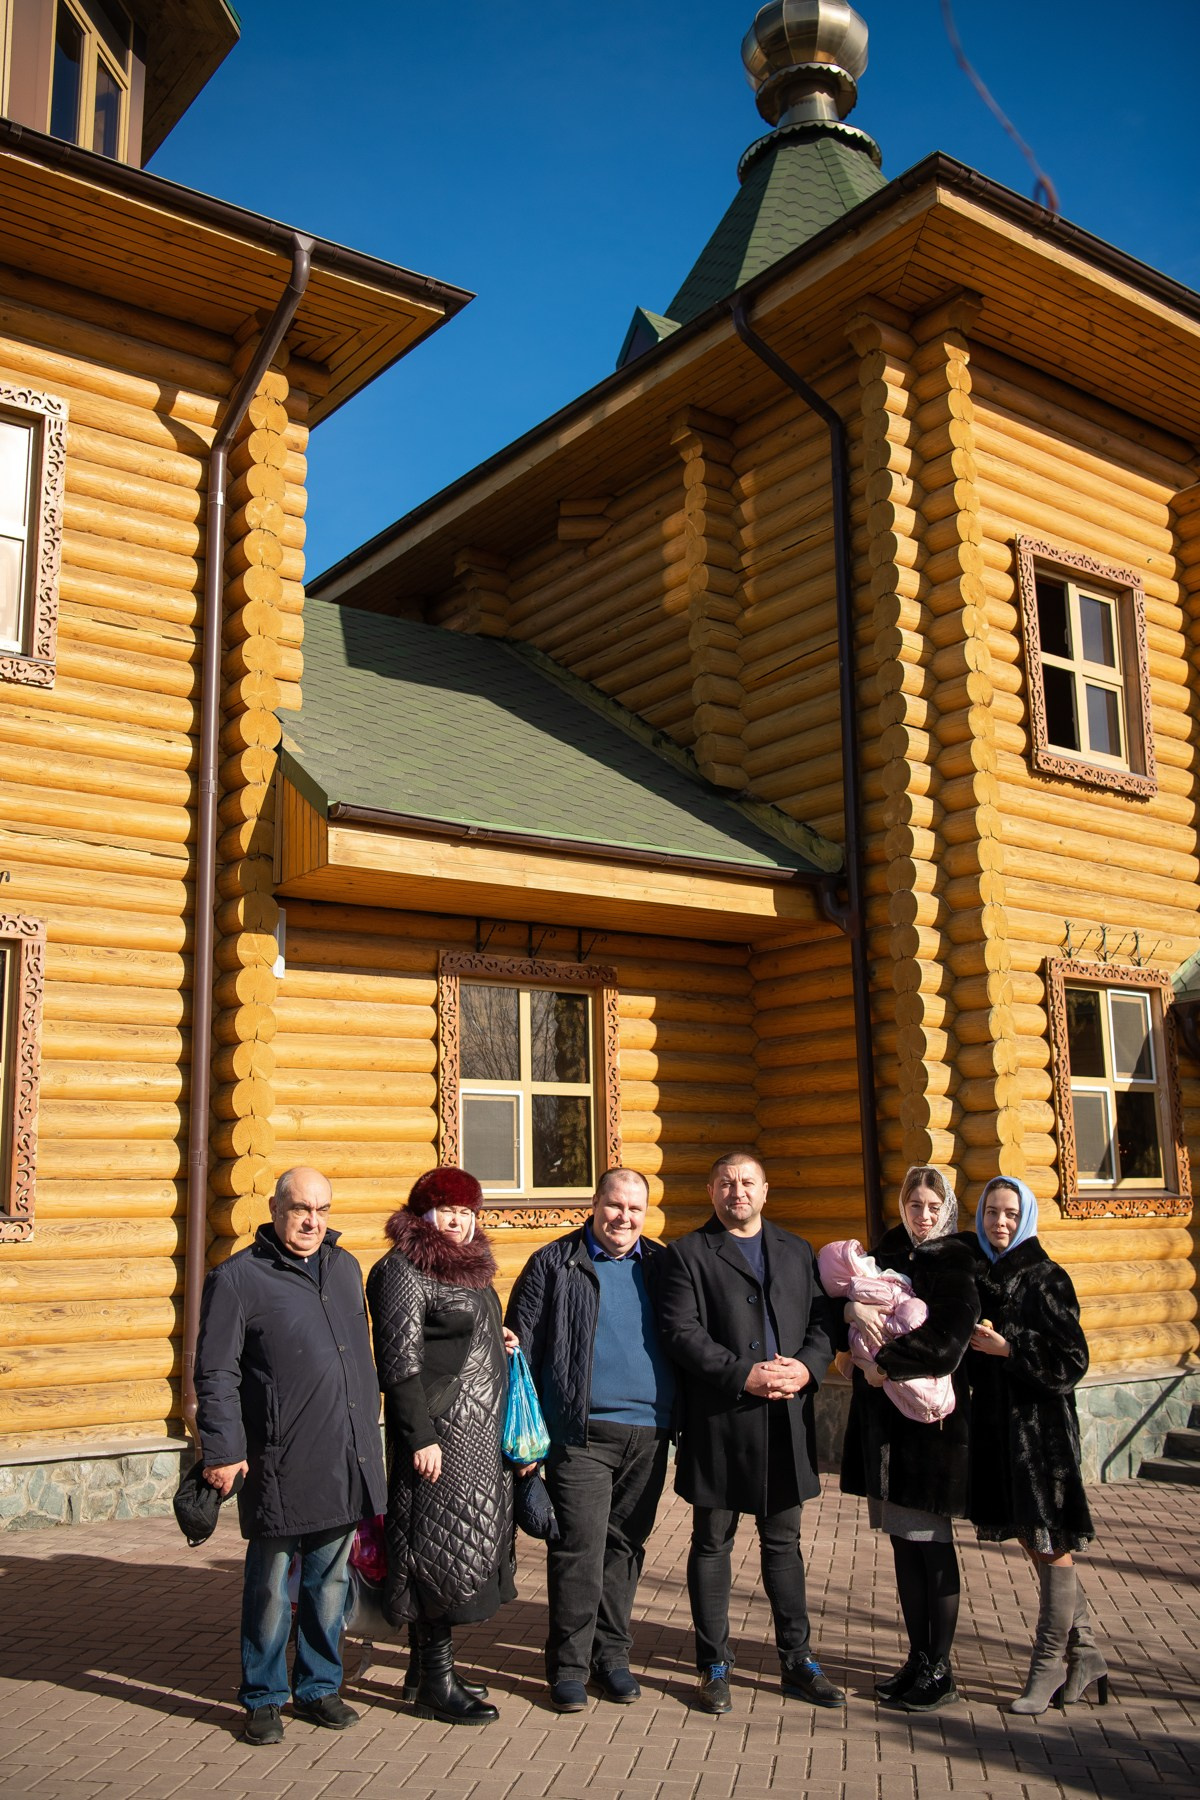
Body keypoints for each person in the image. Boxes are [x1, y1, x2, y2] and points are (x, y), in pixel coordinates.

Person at [195, 1166, 386, 1747]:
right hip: (276, 1459)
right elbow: (216, 1373)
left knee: (329, 1582)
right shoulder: (237, 1279)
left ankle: (319, 1687)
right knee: (272, 1589)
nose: (312, 1221)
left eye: (322, 1210)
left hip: (343, 1453)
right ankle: (262, 1695)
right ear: (275, 1210)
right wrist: (223, 1449)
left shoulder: (344, 1268)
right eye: (301, 1208)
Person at [655, 1149, 841, 1714]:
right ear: (711, 1192)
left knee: (784, 1543)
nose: (737, 1192)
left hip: (785, 1419)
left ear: (765, 1190)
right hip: (721, 1421)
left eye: (747, 1182)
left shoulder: (796, 1249)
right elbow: (680, 1332)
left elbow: (822, 1322)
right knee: (712, 1542)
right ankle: (713, 1664)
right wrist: (743, 1375)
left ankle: (798, 1660)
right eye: (726, 1183)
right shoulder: (687, 1253)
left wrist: (807, 1368)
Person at [506, 1167, 675, 1713]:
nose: (623, 1217)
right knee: (579, 1548)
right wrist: (528, 1445)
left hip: (649, 1433)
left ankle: (612, 1659)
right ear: (595, 1204)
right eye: (615, 1205)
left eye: (635, 1209)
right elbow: (521, 1353)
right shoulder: (553, 1263)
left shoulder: (663, 1266)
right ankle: (569, 1667)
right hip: (579, 1434)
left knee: (625, 1547)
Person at [366, 1166, 515, 1727]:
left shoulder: (469, 1269)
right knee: (436, 1557)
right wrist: (420, 1437)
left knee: (458, 1549)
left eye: (466, 1212)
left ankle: (424, 1672)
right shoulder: (403, 1270)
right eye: (448, 1210)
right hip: (439, 1441)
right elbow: (400, 1365)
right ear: (425, 1213)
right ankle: (436, 1682)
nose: (458, 1221)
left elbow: (452, 1336)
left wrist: (494, 1336)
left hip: (477, 1441)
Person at [836, 1166, 980, 1712]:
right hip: (886, 1430)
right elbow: (845, 1297)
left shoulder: (957, 1261)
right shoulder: (889, 1250)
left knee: (932, 1544)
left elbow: (947, 1343)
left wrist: (885, 1367)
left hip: (931, 1432)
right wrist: (850, 1308)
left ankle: (941, 1669)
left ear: (946, 1209)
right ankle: (917, 1659)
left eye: (931, 1207)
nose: (922, 1216)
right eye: (914, 1204)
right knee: (903, 1544)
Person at [966, 1176, 1107, 1713]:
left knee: (1049, 1541)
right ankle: (1086, 1652)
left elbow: (1073, 1360)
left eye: (1009, 1213)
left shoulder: (1047, 1277)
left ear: (1024, 1217)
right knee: (1033, 1541)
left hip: (1040, 1435)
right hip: (999, 1431)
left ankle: (1047, 1666)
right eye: (991, 1213)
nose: (999, 1223)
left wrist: (1012, 1348)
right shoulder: (985, 1276)